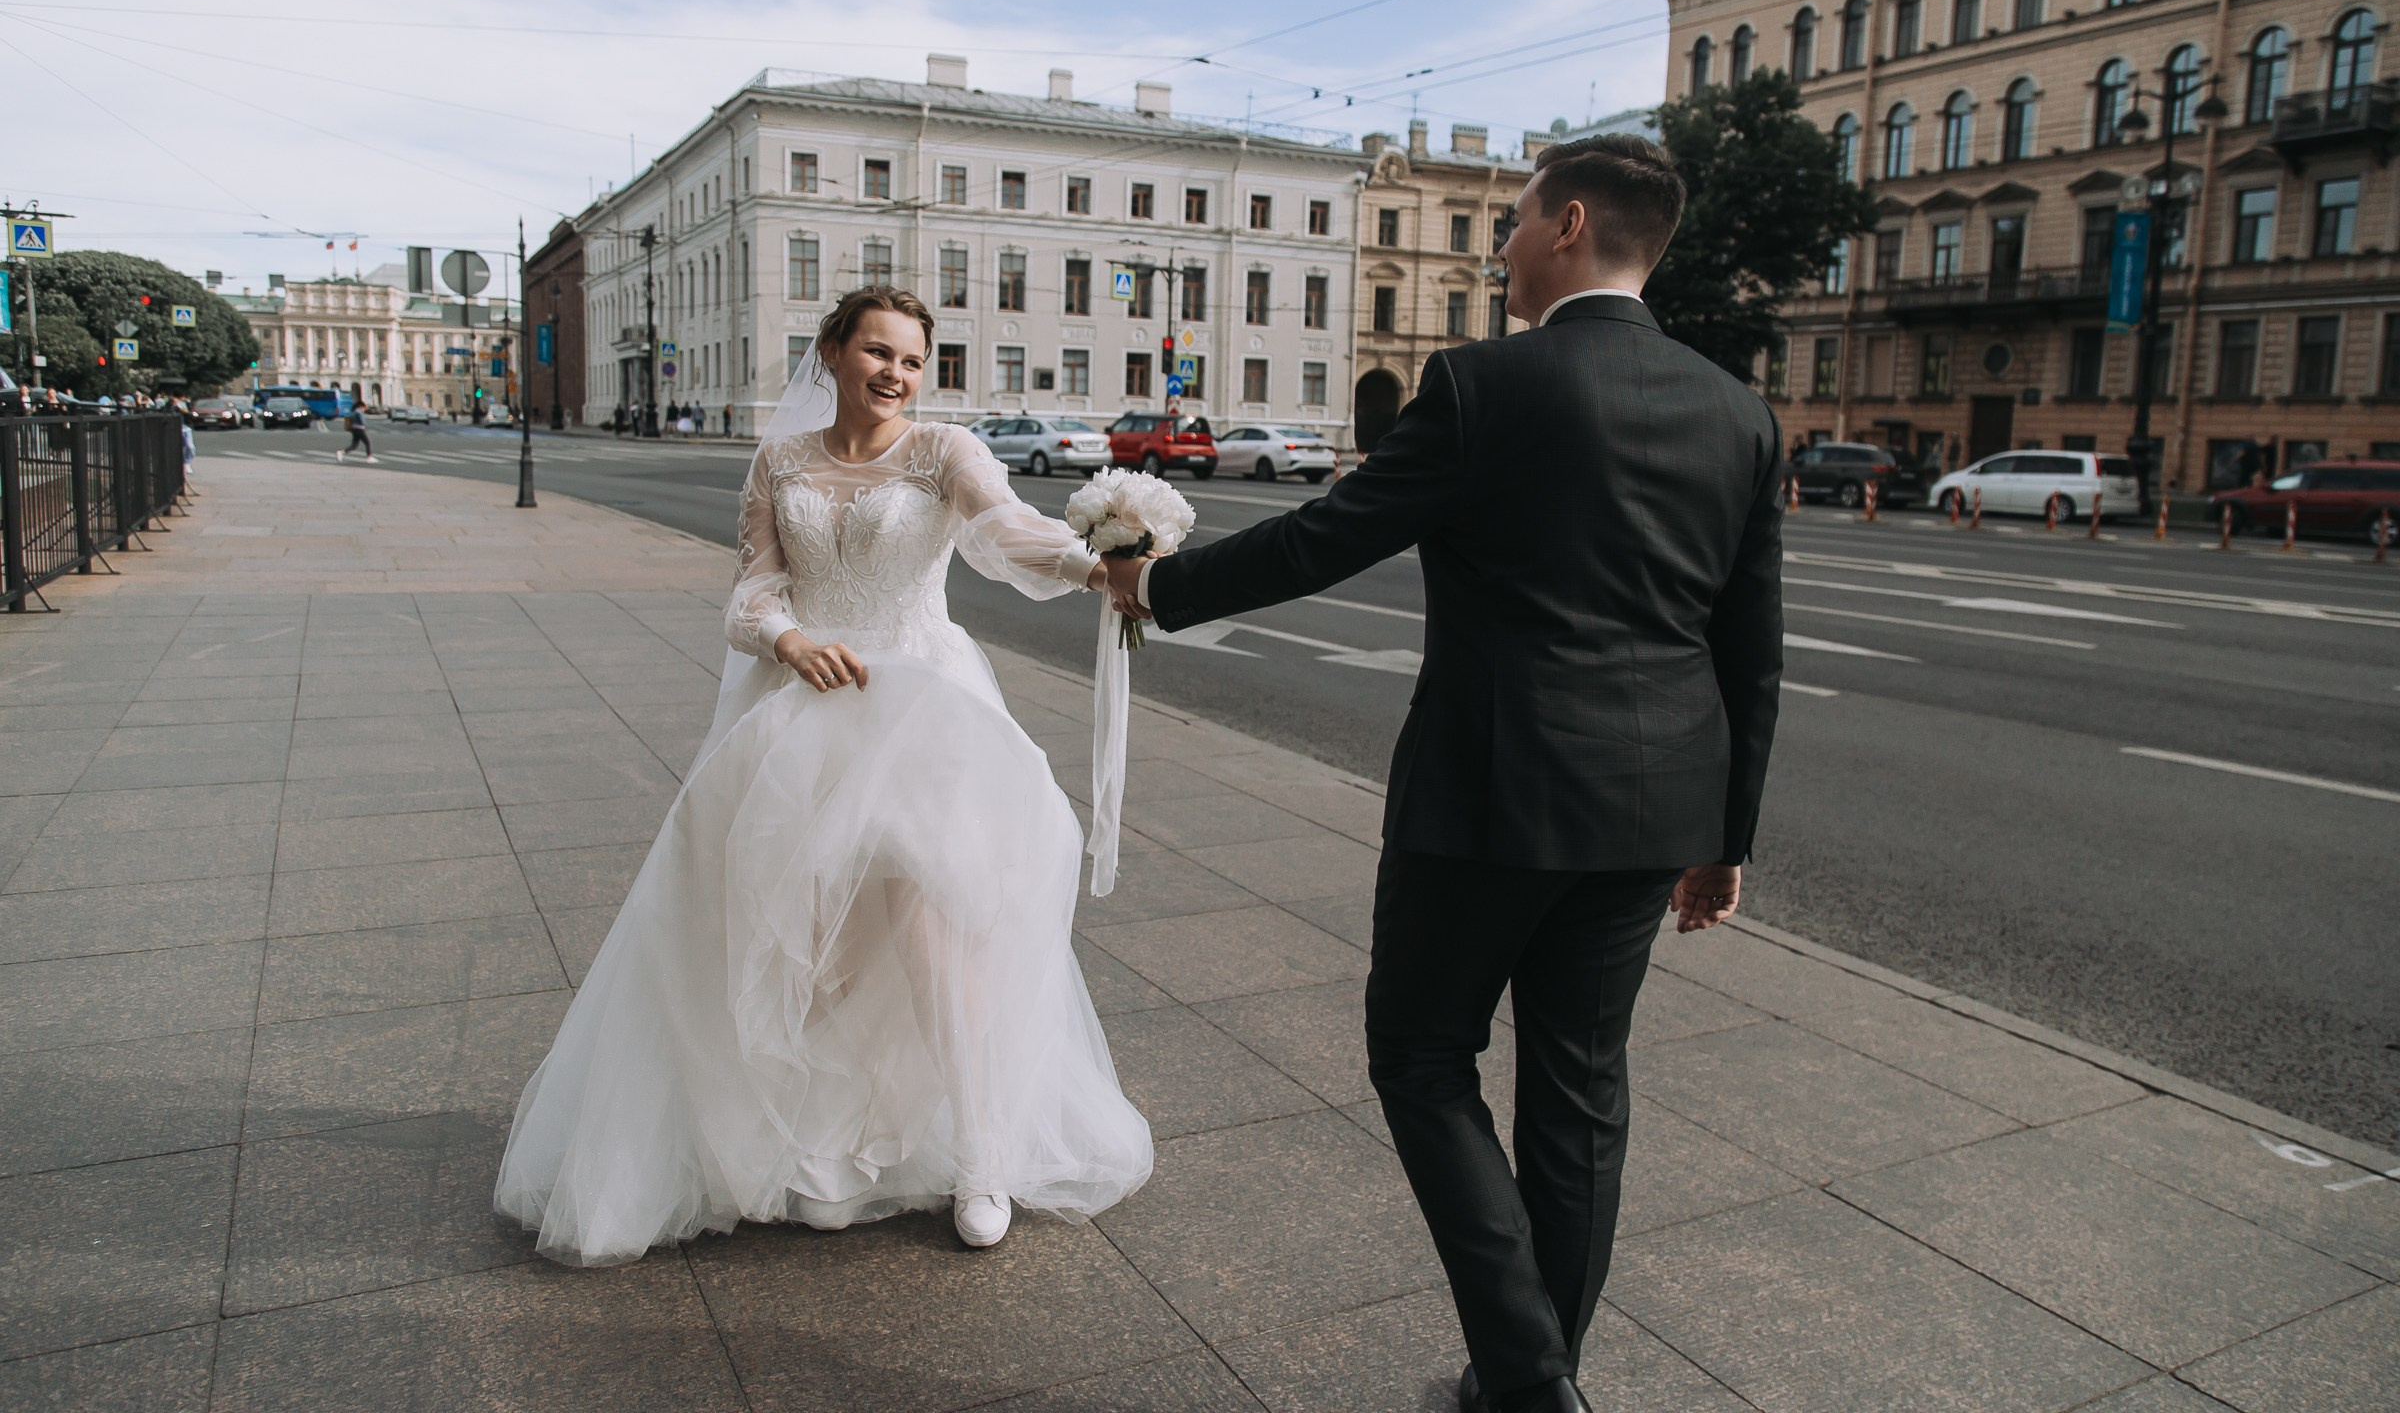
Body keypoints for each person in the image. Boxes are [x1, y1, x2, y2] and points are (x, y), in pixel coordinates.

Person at [1106, 135, 1784, 1413]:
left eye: (1515, 220)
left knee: (1422, 1058)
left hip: (1490, 792)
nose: (1502, 245)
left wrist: (1160, 586)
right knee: (1582, 1101)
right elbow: (1752, 648)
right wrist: (1726, 835)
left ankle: (1531, 1385)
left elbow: (1328, 536)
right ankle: (1527, 1381)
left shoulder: (1484, 384)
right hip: (1655, 809)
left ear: (1569, 222)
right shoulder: (1739, 411)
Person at [495, 285, 1151, 1265]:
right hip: (802, 713)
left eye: (915, 360)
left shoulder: (943, 452)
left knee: (934, 923)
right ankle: (789, 1131)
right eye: (879, 352)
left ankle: (982, 1152)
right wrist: (789, 636)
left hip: (923, 712)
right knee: (797, 933)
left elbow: (1009, 529)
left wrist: (1100, 563)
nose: (897, 373)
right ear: (834, 354)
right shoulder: (780, 459)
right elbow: (749, 593)